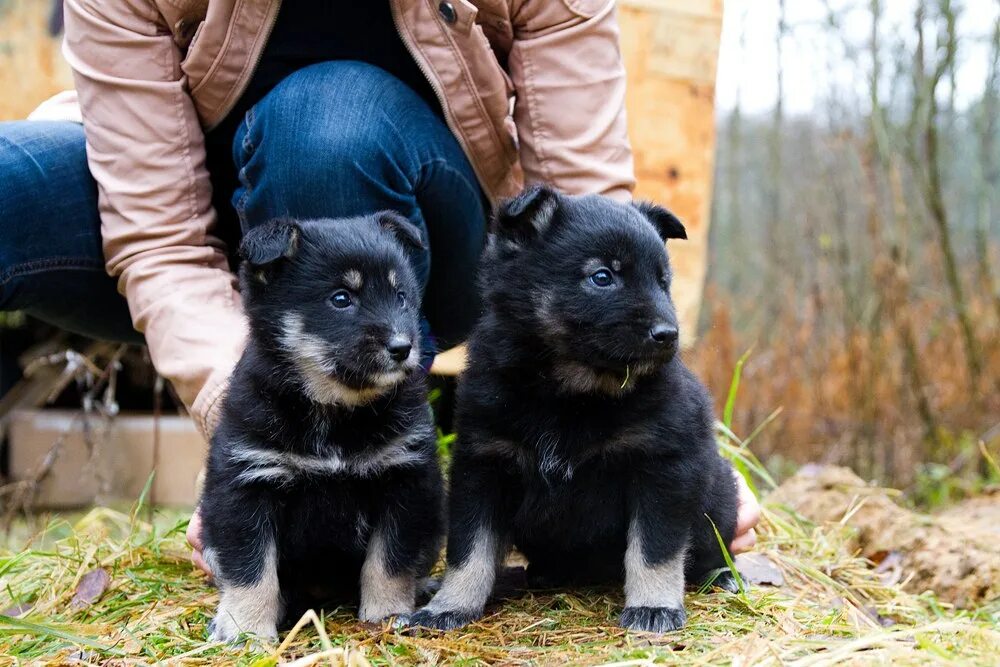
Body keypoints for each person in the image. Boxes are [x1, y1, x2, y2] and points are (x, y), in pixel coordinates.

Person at [0, 0, 759, 573]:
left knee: (325, 124)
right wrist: (244, 427)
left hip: (418, 253)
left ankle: (356, 501)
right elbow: (160, 237)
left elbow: (591, 220)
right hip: (195, 230)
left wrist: (681, 448)